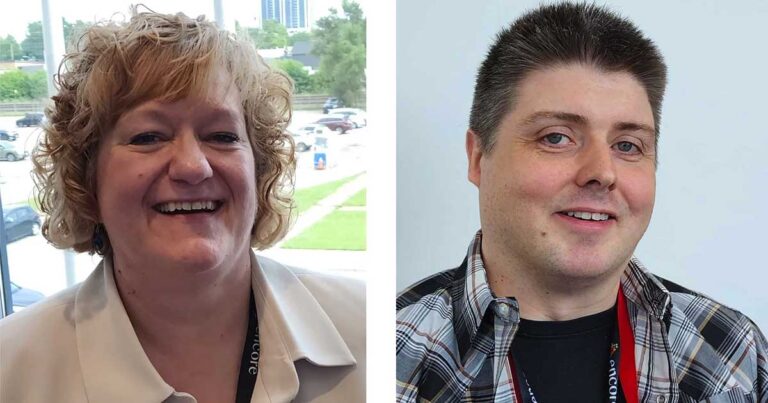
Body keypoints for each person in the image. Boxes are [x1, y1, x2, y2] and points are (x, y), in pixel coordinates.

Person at [396, 3, 767, 402]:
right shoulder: (393, 358)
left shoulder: (731, 352)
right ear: (478, 157)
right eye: (556, 137)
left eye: (628, 145)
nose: (602, 172)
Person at [0, 7, 364, 403]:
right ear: (86, 180)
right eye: (148, 137)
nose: (193, 166)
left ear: (259, 169)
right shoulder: (11, 372)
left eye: (222, 135)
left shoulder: (373, 328)